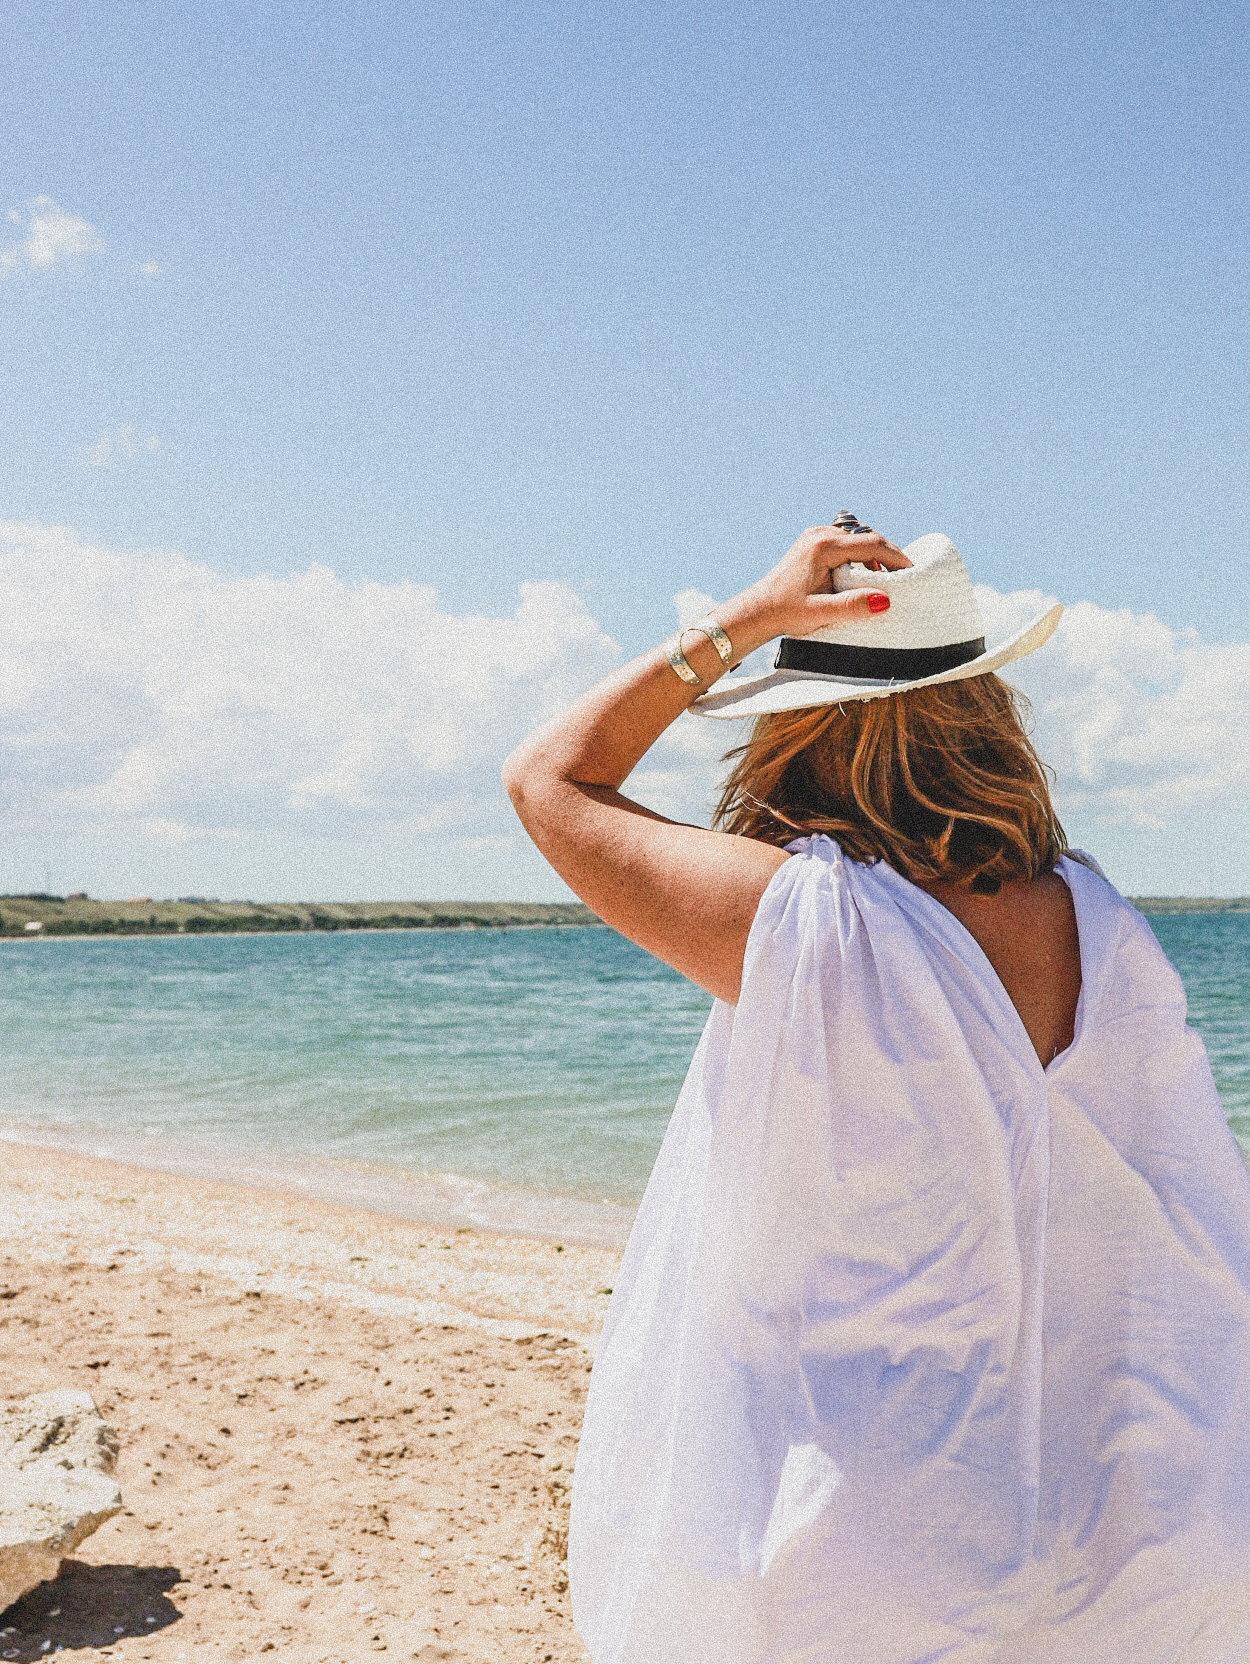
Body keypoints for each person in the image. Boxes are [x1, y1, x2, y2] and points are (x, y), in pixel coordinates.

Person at [502, 520, 1250, 1663]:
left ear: (797, 730)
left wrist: (749, 616)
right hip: (1134, 1498)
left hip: (880, 1518)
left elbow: (549, 777)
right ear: (983, 710)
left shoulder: (801, 926)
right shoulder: (1105, 925)